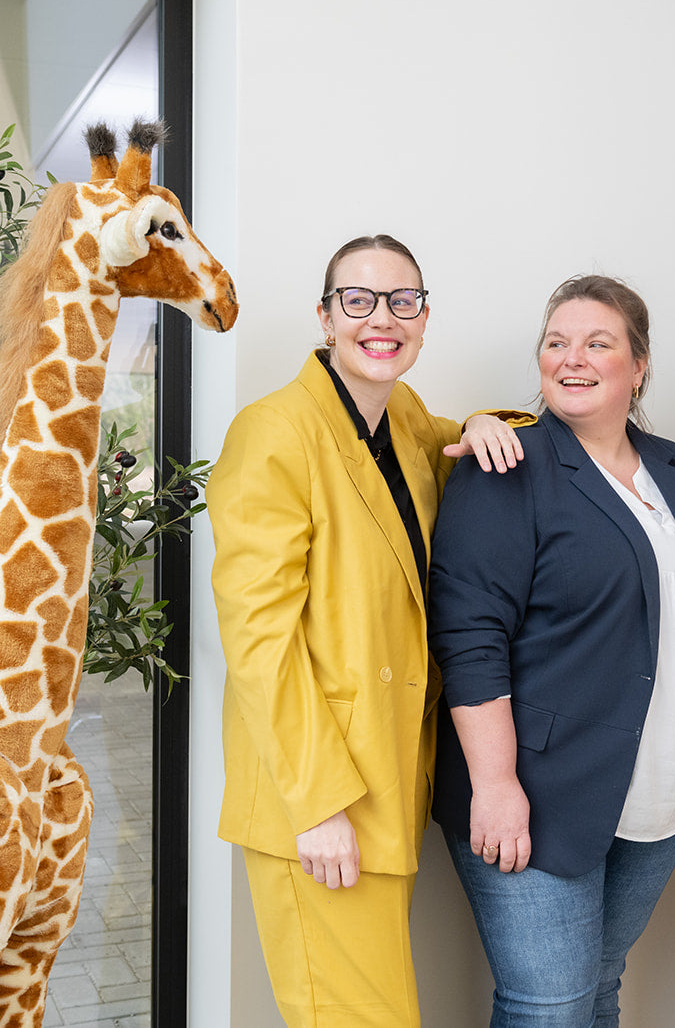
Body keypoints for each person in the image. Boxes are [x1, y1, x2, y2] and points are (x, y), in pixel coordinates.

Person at [208, 234, 530, 1027]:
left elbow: (454, 443)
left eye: (402, 301)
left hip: (385, 781)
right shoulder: (275, 431)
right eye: (358, 300)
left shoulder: (403, 417)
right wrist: (318, 804)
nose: (381, 319)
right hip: (322, 801)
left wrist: (485, 420)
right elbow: (259, 642)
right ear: (325, 317)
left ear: (424, 318)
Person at [427, 274, 675, 1026]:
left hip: (660, 791)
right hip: (539, 790)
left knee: (598, 988)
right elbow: (470, 637)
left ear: (639, 364)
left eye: (598, 343)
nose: (573, 358)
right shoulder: (506, 467)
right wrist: (496, 783)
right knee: (551, 1006)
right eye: (556, 342)